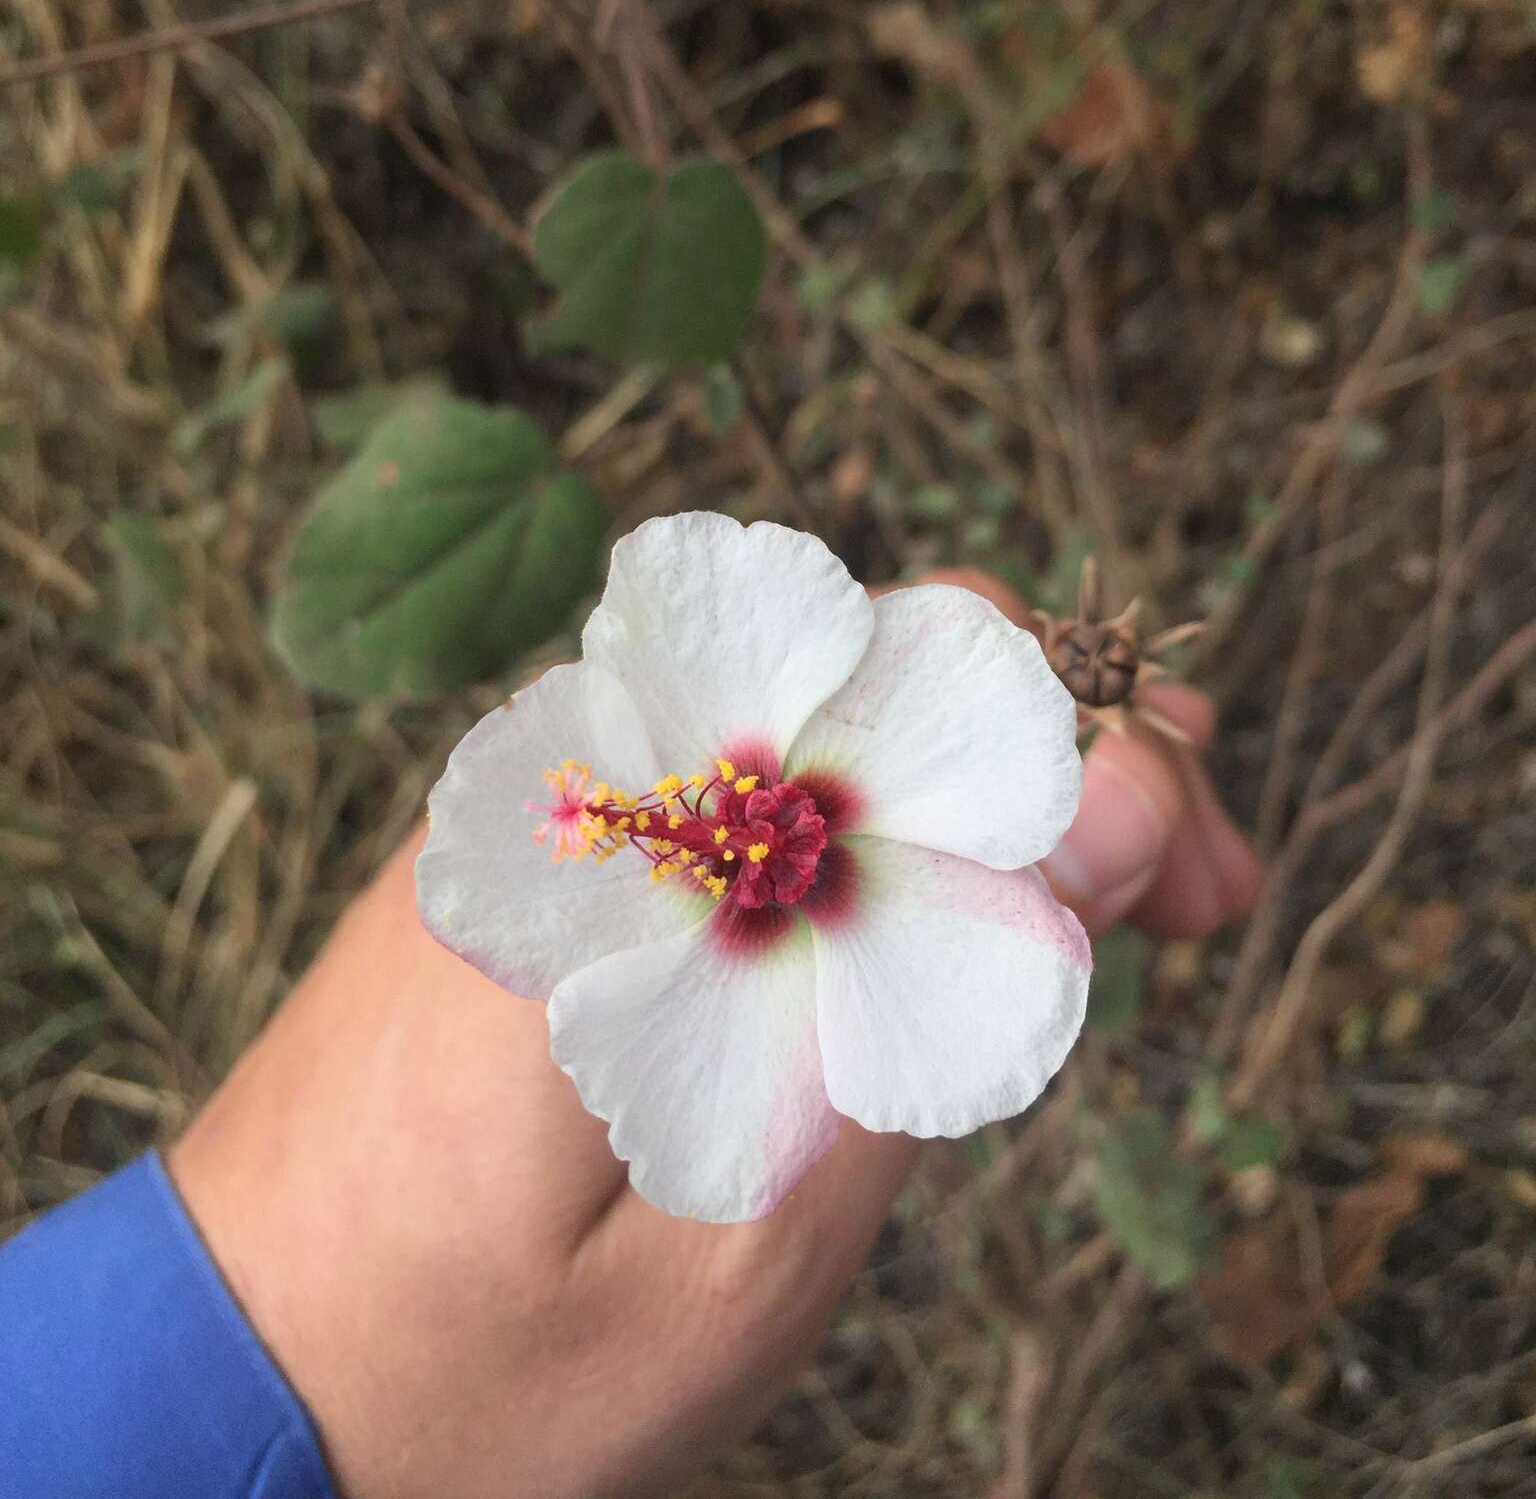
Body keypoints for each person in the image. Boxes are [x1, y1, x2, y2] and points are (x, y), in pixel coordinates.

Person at [0, 568, 1260, 1499]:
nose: (718, 834)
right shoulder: (689, 877)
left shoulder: (796, 795)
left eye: (729, 832)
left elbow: (937, 705)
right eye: (715, 838)